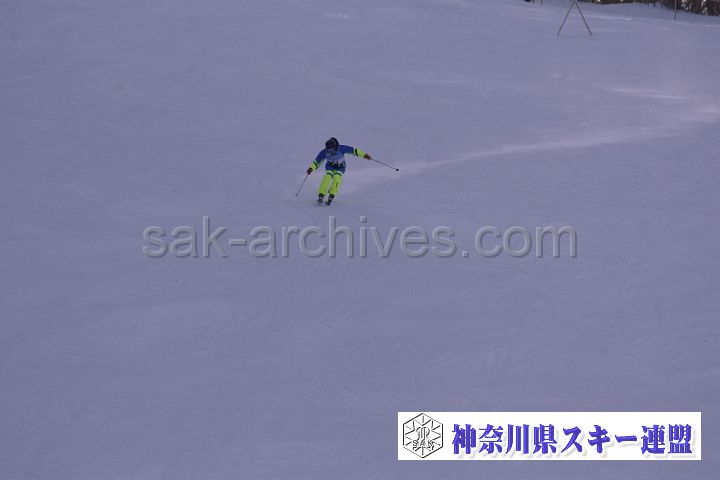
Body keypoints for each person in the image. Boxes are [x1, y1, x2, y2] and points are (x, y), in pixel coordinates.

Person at [306, 137, 372, 205]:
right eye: (329, 151)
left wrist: (364, 155)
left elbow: (354, 151)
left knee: (337, 177)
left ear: (335, 147)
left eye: (332, 150)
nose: (331, 152)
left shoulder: (341, 148)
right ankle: (321, 194)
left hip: (340, 167)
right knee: (328, 176)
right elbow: (317, 162)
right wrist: (311, 168)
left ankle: (332, 194)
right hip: (330, 166)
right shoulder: (324, 152)